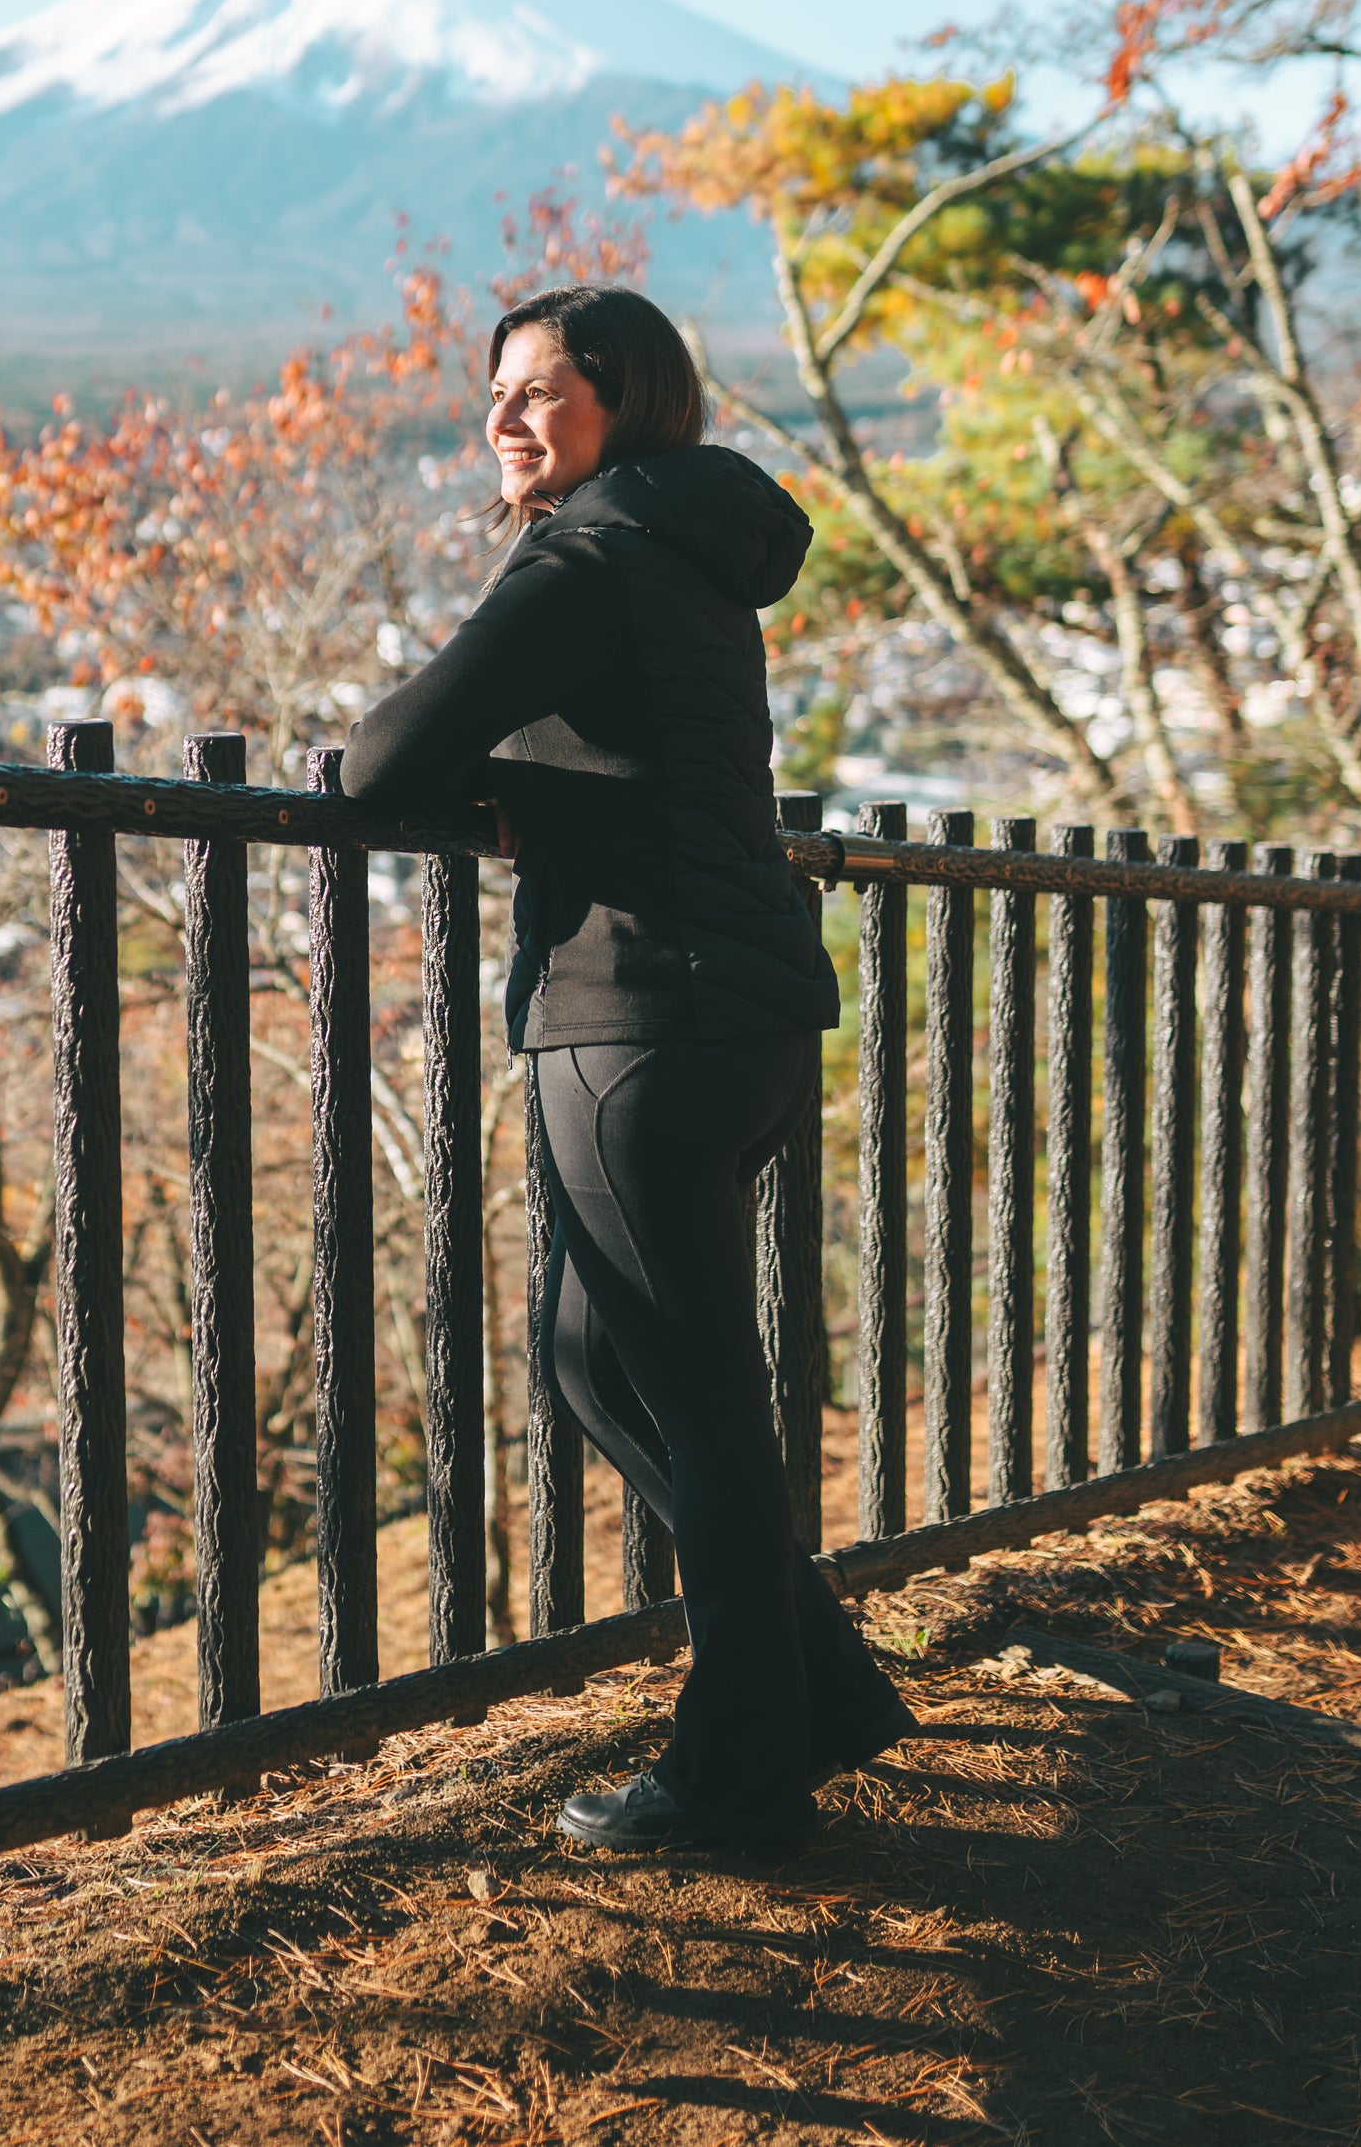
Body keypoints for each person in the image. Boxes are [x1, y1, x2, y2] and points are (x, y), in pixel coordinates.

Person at [344, 284, 914, 1857]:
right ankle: (814, 1685)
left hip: (635, 1022)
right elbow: (654, 768)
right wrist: (546, 792)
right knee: (609, 1363)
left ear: (625, 405)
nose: (505, 422)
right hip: (741, 1019)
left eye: (541, 393)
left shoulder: (592, 556)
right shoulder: (688, 552)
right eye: (497, 396)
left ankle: (741, 1774)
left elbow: (387, 761)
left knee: (702, 1405)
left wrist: (502, 793)